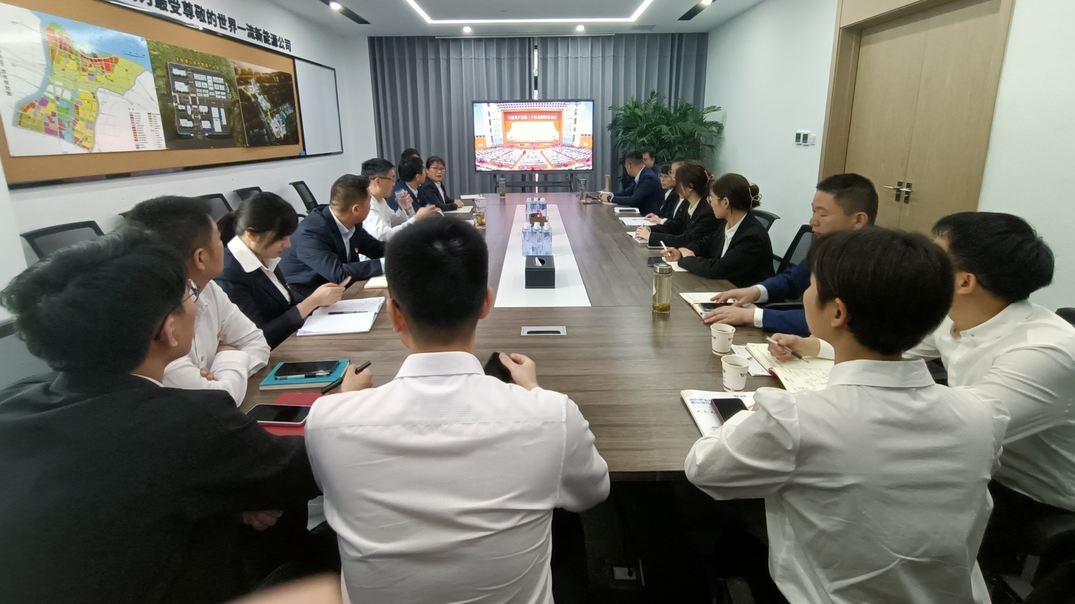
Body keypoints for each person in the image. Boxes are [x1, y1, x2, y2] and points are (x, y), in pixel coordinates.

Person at [0, 228, 331, 604]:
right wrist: (344, 405)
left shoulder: (14, 403)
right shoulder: (188, 421)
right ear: (167, 330)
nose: (196, 305)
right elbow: (311, 469)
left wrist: (229, 502)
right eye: (189, 296)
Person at [685, 228, 1008, 603]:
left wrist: (756, 408)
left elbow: (704, 469)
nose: (806, 293)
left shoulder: (795, 418)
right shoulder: (983, 414)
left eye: (812, 286)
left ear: (837, 312)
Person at [305, 218, 610, 604]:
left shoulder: (328, 420)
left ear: (395, 314)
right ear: (486, 303)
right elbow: (592, 493)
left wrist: (345, 402)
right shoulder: (553, 416)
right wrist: (535, 392)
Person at [127, 196, 269, 405]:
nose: (224, 246)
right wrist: (228, 355)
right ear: (200, 258)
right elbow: (219, 400)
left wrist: (220, 375)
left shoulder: (208, 287)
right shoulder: (151, 317)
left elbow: (256, 342)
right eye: (219, 239)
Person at [701, 173, 877, 335]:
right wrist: (755, 291)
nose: (813, 221)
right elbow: (792, 280)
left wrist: (753, 316)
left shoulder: (875, 265)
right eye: (813, 211)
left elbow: (833, 322)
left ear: (858, 220)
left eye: (822, 214)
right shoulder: (825, 247)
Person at [215, 192, 347, 348]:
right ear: (252, 234)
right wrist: (311, 302)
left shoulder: (263, 254)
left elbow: (285, 307)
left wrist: (318, 302)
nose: (288, 244)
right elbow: (259, 337)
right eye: (281, 238)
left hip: (291, 341)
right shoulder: (228, 274)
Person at [278, 174, 387, 300]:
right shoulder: (310, 233)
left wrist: (401, 253)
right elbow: (339, 274)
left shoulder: (352, 222)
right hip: (306, 297)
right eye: (369, 201)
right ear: (356, 209)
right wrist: (388, 263)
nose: (371, 205)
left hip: (338, 291)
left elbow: (375, 248)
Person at [660, 173, 774, 286]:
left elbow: (718, 269)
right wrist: (680, 253)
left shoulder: (752, 236)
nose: (710, 204)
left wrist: (688, 260)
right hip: (723, 286)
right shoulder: (727, 222)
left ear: (725, 202)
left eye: (711, 198)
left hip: (743, 293)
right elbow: (707, 244)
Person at [634, 161, 717, 248]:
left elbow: (688, 240)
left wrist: (651, 237)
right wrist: (650, 229)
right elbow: (676, 226)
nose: (676, 187)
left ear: (690, 187)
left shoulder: (707, 211)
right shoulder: (687, 204)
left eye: (678, 183)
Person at [361, 158, 439, 242]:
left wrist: (404, 208)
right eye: (391, 179)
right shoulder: (368, 204)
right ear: (378, 182)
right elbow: (385, 235)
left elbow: (395, 222)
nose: (394, 184)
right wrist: (416, 218)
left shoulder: (381, 200)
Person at [598, 150, 664, 215]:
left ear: (629, 165)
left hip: (649, 217)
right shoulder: (643, 174)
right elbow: (627, 193)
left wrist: (609, 198)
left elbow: (633, 200)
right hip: (642, 215)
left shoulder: (648, 178)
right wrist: (609, 194)